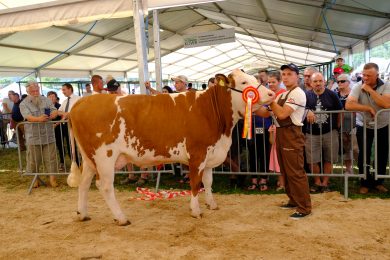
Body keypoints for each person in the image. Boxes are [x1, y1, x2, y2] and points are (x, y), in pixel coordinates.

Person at [269, 63, 311, 219]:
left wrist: (269, 100)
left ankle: (305, 207)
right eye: (283, 74)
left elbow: (282, 115)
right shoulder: (281, 95)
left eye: (289, 74)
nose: (285, 77)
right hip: (281, 134)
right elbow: (267, 113)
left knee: (296, 172)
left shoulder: (298, 93)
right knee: (286, 171)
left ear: (297, 76)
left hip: (292, 135)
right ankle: (293, 200)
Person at [346, 62, 390, 194]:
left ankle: (378, 182)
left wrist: (370, 90)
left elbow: (386, 104)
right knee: (363, 154)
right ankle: (365, 182)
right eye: (363, 75)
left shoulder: (387, 85)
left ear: (377, 75)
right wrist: (367, 108)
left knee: (382, 154)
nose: (365, 78)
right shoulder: (357, 86)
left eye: (369, 76)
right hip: (363, 124)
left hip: (383, 124)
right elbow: (348, 105)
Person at [305, 72, 342, 193]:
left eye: (320, 81)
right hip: (311, 133)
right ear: (311, 83)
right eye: (315, 81)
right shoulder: (306, 95)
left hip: (330, 132)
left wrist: (337, 127)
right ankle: (317, 182)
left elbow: (340, 111)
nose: (318, 83)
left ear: (324, 82)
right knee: (312, 159)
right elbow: (300, 109)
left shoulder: (332, 95)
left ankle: (325, 183)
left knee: (329, 158)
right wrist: (307, 111)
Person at [20, 82, 59, 188]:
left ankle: (52, 180)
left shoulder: (46, 100)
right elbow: (27, 116)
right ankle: (35, 180)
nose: (36, 93)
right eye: (33, 91)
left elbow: (54, 109)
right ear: (28, 92)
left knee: (51, 158)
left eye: (37, 90)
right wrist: (38, 119)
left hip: (48, 135)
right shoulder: (23, 103)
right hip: (33, 137)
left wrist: (54, 113)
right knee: (33, 160)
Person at [334, 73, 358, 174]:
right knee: (345, 147)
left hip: (354, 124)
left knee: (356, 148)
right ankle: (348, 168)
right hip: (340, 125)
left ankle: (363, 166)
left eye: (342, 81)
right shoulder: (335, 94)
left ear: (348, 82)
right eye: (338, 81)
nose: (339, 83)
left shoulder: (354, 93)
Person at [267, 71, 287, 191]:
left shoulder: (284, 94)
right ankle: (281, 183)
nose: (271, 84)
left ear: (279, 82)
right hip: (273, 127)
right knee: (276, 155)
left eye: (273, 82)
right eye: (269, 82)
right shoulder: (268, 94)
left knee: (285, 157)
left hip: (284, 128)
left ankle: (287, 183)